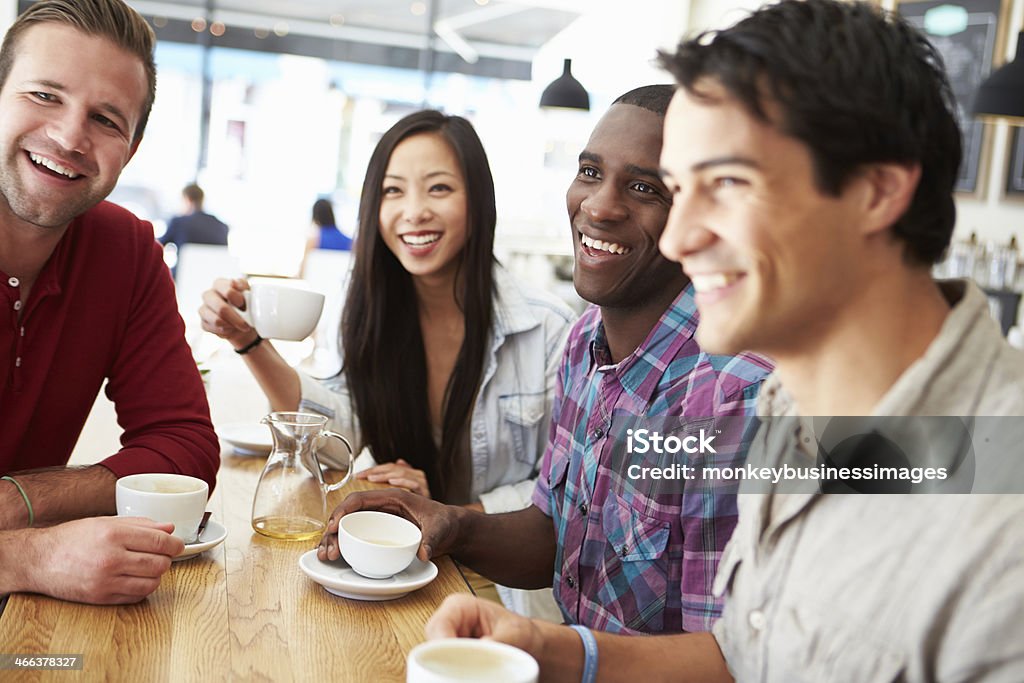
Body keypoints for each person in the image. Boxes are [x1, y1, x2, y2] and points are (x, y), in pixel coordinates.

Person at [421, 1, 1024, 681]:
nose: (679, 239)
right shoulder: (793, 412)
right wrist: (553, 650)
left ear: (874, 191)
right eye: (682, 189)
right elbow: (748, 651)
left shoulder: (998, 500)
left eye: (728, 184)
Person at [319, 86, 770, 636]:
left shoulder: (734, 395)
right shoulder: (585, 345)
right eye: (589, 172)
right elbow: (559, 535)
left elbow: (730, 661)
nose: (599, 206)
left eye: (644, 187)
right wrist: (448, 523)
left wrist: (543, 650)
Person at [200, 110, 574, 616]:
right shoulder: (370, 310)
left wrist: (446, 516)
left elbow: (564, 493)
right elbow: (340, 437)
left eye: (438, 189)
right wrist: (248, 341)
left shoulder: (548, 329)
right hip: (406, 566)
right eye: (393, 191)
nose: (413, 211)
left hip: (506, 590)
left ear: (479, 202)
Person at [0, 0, 219, 605]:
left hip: (24, 626)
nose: (70, 136)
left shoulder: (126, 250)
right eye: (45, 95)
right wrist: (27, 555)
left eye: (105, 119)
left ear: (131, 149)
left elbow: (187, 451)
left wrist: (24, 499)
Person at [159, 183, 229, 251]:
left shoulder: (179, 222)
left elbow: (158, 245)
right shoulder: (222, 226)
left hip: (185, 263)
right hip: (215, 263)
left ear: (187, 200)